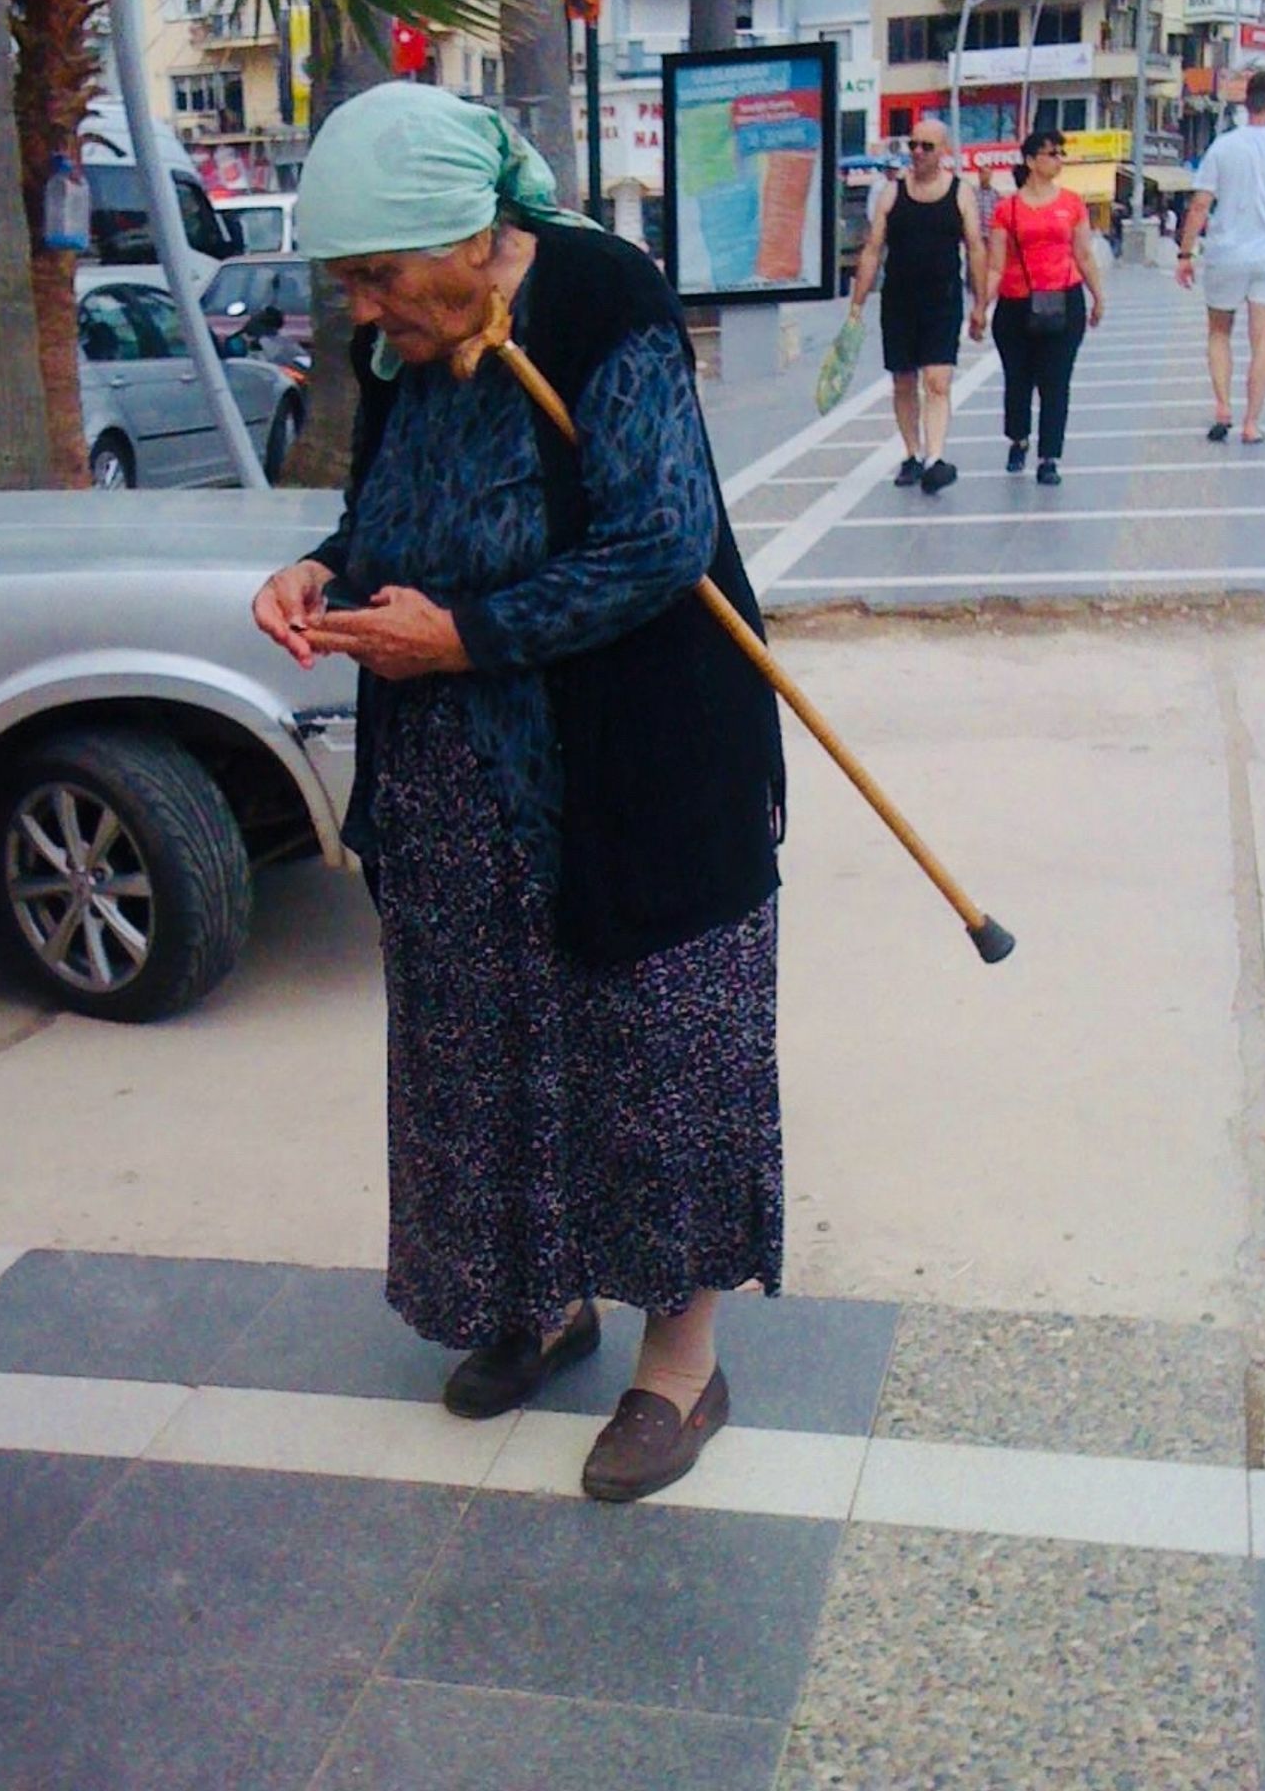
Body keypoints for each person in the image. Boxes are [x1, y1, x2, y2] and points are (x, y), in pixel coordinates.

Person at [251, 85, 786, 1504]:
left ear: (483, 240)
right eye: (348, 282)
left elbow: (661, 537)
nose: (365, 311)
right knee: (481, 1060)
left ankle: (680, 1368)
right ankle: (538, 1304)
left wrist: (467, 636)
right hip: (449, 781)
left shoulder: (601, 297)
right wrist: (324, 567)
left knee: (654, 1058)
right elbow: (391, 516)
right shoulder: (405, 348)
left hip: (630, 766)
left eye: (380, 275)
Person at [1175, 67, 1265, 445]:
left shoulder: (1223, 145)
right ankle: (1252, 423)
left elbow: (1200, 204)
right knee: (1264, 339)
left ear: (1245, 101)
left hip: (1225, 252)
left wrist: (1185, 253)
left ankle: (1223, 405)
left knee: (1219, 332)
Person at [848, 117, 987, 495]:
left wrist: (981, 304)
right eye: (913, 145)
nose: (918, 153)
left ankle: (935, 457)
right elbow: (873, 249)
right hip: (899, 300)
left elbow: (976, 248)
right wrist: (857, 304)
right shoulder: (892, 193)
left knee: (937, 381)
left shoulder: (960, 193)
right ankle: (912, 453)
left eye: (927, 146)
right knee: (904, 380)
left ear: (943, 151)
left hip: (942, 299)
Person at [982, 128, 1104, 486]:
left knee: (1056, 381)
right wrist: (980, 306)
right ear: (1032, 160)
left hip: (1064, 300)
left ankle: (1049, 455)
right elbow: (995, 264)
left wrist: (1098, 295)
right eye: (1052, 153)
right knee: (1018, 379)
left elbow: (1083, 253)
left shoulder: (1072, 204)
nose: (1058, 160)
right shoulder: (1008, 209)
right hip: (1016, 303)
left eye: (1060, 153)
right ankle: (1018, 438)